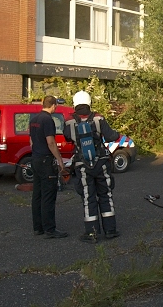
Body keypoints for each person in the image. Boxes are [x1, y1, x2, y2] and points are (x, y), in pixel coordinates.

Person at [64, 91, 122, 243]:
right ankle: (110, 230)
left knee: (88, 197)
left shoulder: (69, 121)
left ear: (75, 103)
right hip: (101, 162)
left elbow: (67, 137)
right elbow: (111, 137)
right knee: (105, 194)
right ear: (89, 102)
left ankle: (92, 233)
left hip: (82, 165)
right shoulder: (98, 118)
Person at [29, 95, 68, 239]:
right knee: (48, 195)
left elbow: (31, 141)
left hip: (36, 159)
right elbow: (51, 142)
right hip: (46, 161)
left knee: (37, 194)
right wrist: (59, 160)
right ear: (54, 105)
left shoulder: (34, 120)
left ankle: (37, 227)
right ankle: (50, 229)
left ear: (42, 104)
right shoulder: (48, 120)